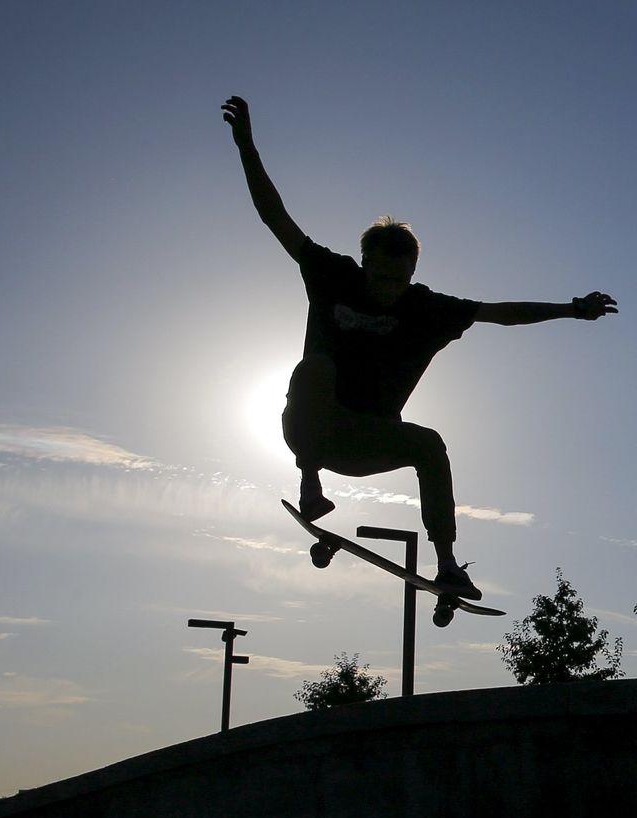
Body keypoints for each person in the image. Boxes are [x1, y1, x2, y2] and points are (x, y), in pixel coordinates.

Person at [221, 95, 616, 599]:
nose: (390, 287)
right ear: (364, 261)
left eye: (401, 278)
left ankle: (448, 564)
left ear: (413, 272)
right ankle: (311, 485)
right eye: (381, 275)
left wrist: (570, 308)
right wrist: (247, 147)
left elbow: (502, 313)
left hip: (369, 441)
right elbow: (275, 217)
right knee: (313, 369)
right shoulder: (331, 274)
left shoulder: (428, 308)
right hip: (309, 428)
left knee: (429, 443)